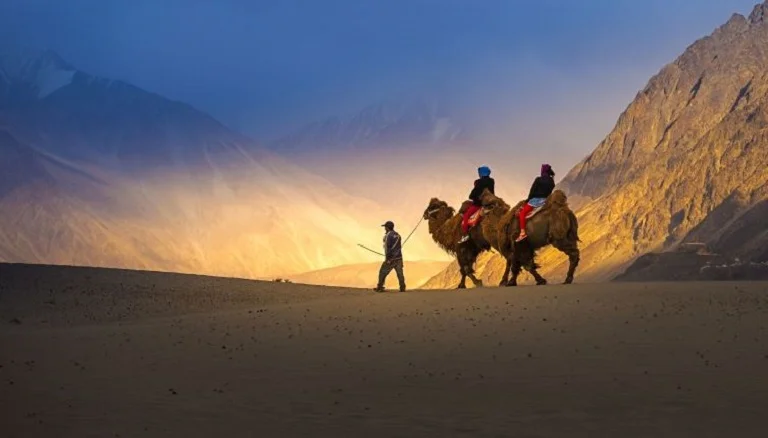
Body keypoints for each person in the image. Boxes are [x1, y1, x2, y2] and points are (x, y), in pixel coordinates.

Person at [517, 164, 556, 242]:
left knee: (522, 214)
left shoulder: (538, 179)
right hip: (545, 201)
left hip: (535, 201)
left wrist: (527, 200)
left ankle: (522, 233)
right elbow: (550, 191)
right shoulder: (551, 181)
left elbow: (532, 191)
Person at [458, 165, 495, 243]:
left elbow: (471, 196)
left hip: (478, 205)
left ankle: (465, 235)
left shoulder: (479, 182)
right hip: (491, 202)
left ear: (481, 173)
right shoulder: (492, 181)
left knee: (466, 216)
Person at [374, 221, 406, 292]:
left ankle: (380, 287)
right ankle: (402, 287)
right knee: (400, 273)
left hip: (391, 259)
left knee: (382, 271)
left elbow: (387, 248)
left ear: (387, 228)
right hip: (399, 258)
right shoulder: (398, 235)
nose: (384, 228)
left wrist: (388, 259)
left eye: (385, 227)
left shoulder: (388, 235)